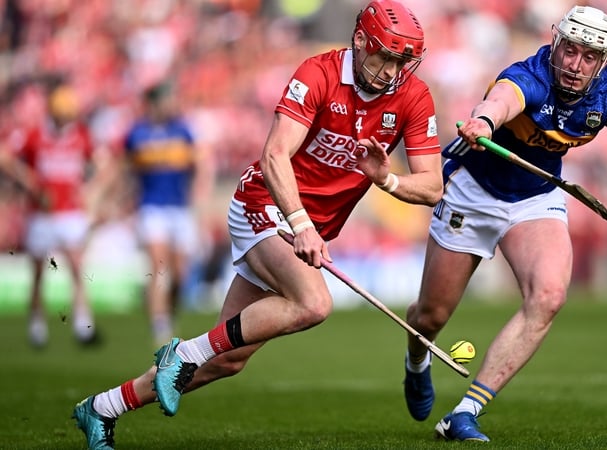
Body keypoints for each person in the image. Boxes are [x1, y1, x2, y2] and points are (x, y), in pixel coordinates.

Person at [72, 1, 443, 448]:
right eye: (386, 56)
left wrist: (386, 178)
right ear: (361, 41)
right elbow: (274, 155)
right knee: (314, 304)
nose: (391, 71)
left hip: (307, 230)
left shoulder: (413, 97)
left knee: (227, 360)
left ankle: (102, 408)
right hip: (265, 205)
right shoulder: (318, 73)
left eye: (403, 62)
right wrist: (301, 223)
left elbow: (432, 188)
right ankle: (182, 352)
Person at [402, 5, 607, 442]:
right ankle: (416, 360)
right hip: (473, 190)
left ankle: (465, 413)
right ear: (556, 42)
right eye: (569, 50)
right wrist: (483, 121)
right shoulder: (530, 74)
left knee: (548, 295)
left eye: (588, 57)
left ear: (603, 61)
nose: (574, 65)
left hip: (535, 199)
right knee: (431, 316)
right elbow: (502, 100)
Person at [0, 78, 107, 348]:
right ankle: (36, 324)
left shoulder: (80, 134)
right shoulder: (35, 134)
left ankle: (83, 325)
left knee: (76, 266)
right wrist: (31, 182)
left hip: (71, 212)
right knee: (38, 272)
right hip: (42, 214)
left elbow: (104, 163)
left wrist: (90, 189)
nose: (63, 121)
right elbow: (5, 157)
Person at [123, 82, 211, 345]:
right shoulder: (136, 134)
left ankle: (169, 314)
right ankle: (159, 326)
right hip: (151, 207)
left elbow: (200, 164)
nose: (172, 104)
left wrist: (199, 190)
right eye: (167, 99)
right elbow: (125, 170)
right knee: (159, 266)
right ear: (153, 103)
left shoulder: (182, 130)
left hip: (180, 208)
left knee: (181, 274)